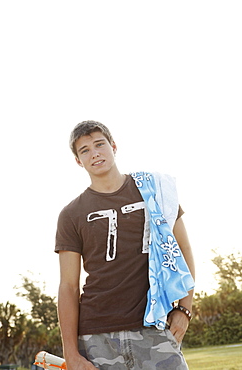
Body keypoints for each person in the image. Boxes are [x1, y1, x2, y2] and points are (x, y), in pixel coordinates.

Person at [55, 120, 195, 370]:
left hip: (153, 326)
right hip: (97, 335)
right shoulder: (71, 214)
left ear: (113, 146)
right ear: (78, 160)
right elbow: (68, 286)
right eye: (84, 150)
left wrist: (184, 310)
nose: (94, 153)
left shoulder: (155, 191)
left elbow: (182, 251)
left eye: (99, 144)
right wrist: (72, 353)